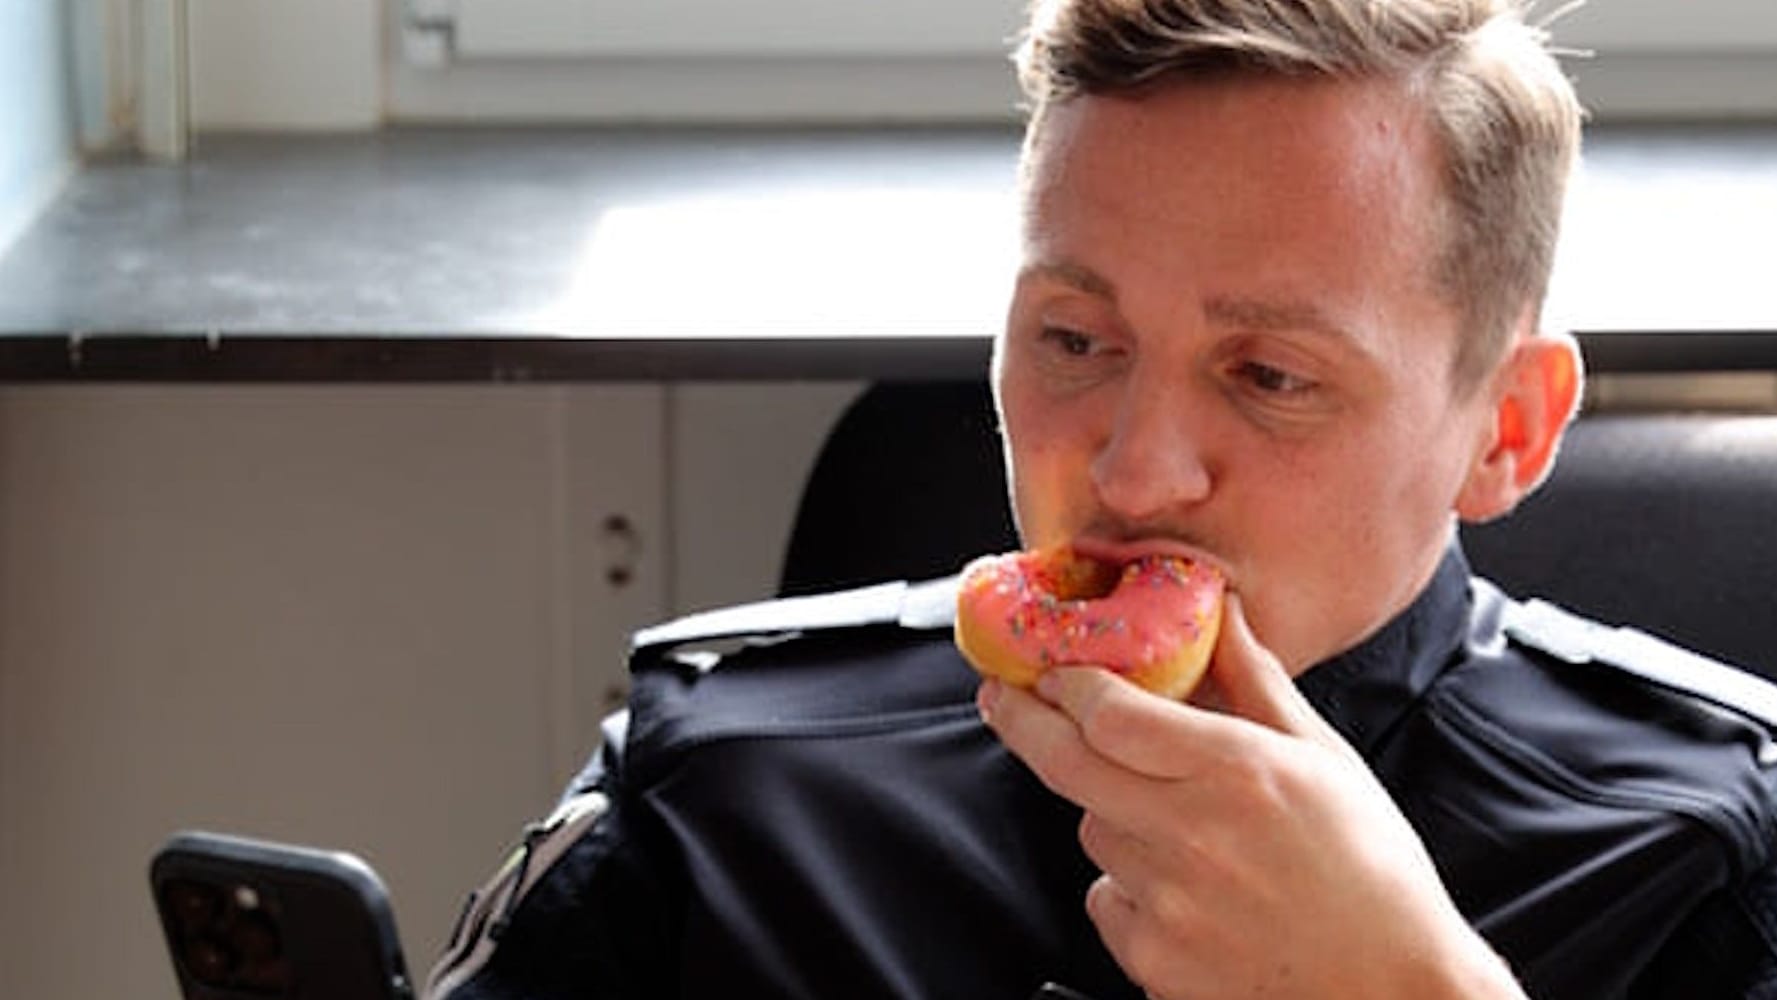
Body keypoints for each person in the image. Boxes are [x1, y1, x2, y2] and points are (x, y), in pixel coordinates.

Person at [427, 2, 1777, 998]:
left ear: (1508, 426)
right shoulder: (721, 786)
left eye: (1265, 374)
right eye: (1075, 343)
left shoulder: (1717, 852)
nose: (1129, 476)